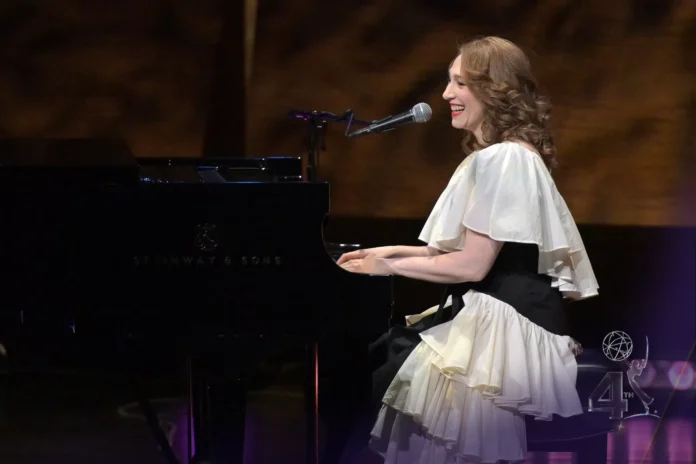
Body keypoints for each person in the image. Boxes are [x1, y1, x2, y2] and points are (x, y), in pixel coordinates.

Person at [337, 36, 599, 463]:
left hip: (506, 323)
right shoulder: (507, 155)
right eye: (449, 81)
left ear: (494, 90)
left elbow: (473, 265)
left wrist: (387, 265)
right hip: (498, 309)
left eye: (460, 83)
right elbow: (452, 252)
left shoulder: (504, 159)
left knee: (387, 373)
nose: (446, 94)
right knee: (381, 362)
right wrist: (383, 254)